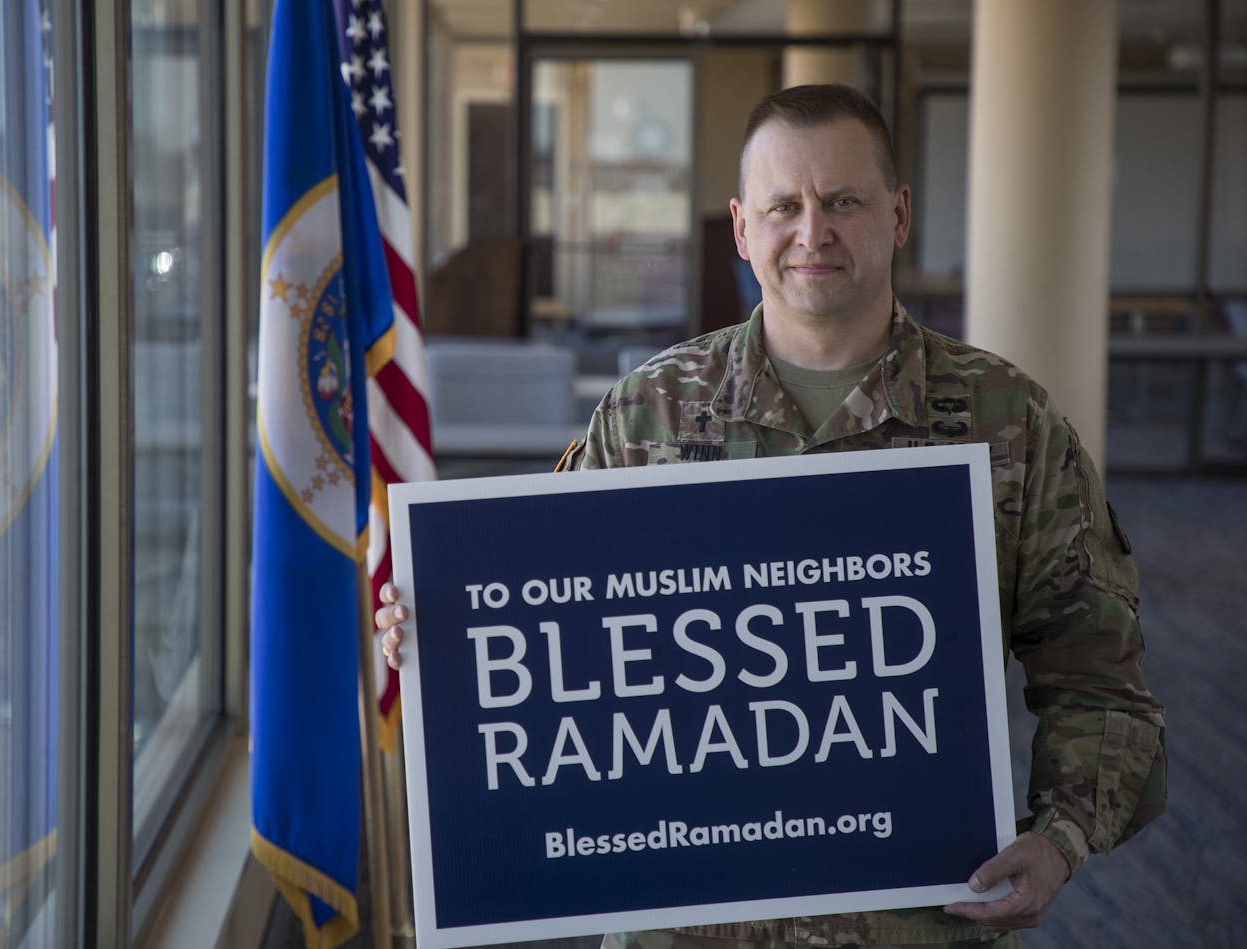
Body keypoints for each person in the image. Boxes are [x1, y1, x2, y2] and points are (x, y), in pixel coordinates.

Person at [378, 83, 1166, 949]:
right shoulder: (649, 415)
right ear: (742, 227)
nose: (813, 231)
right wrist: (438, 637)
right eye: (784, 205)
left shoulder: (1008, 422)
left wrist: (1059, 841)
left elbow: (1100, 679)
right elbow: (550, 637)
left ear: (898, 215)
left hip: (914, 922)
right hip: (683, 924)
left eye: (844, 202)